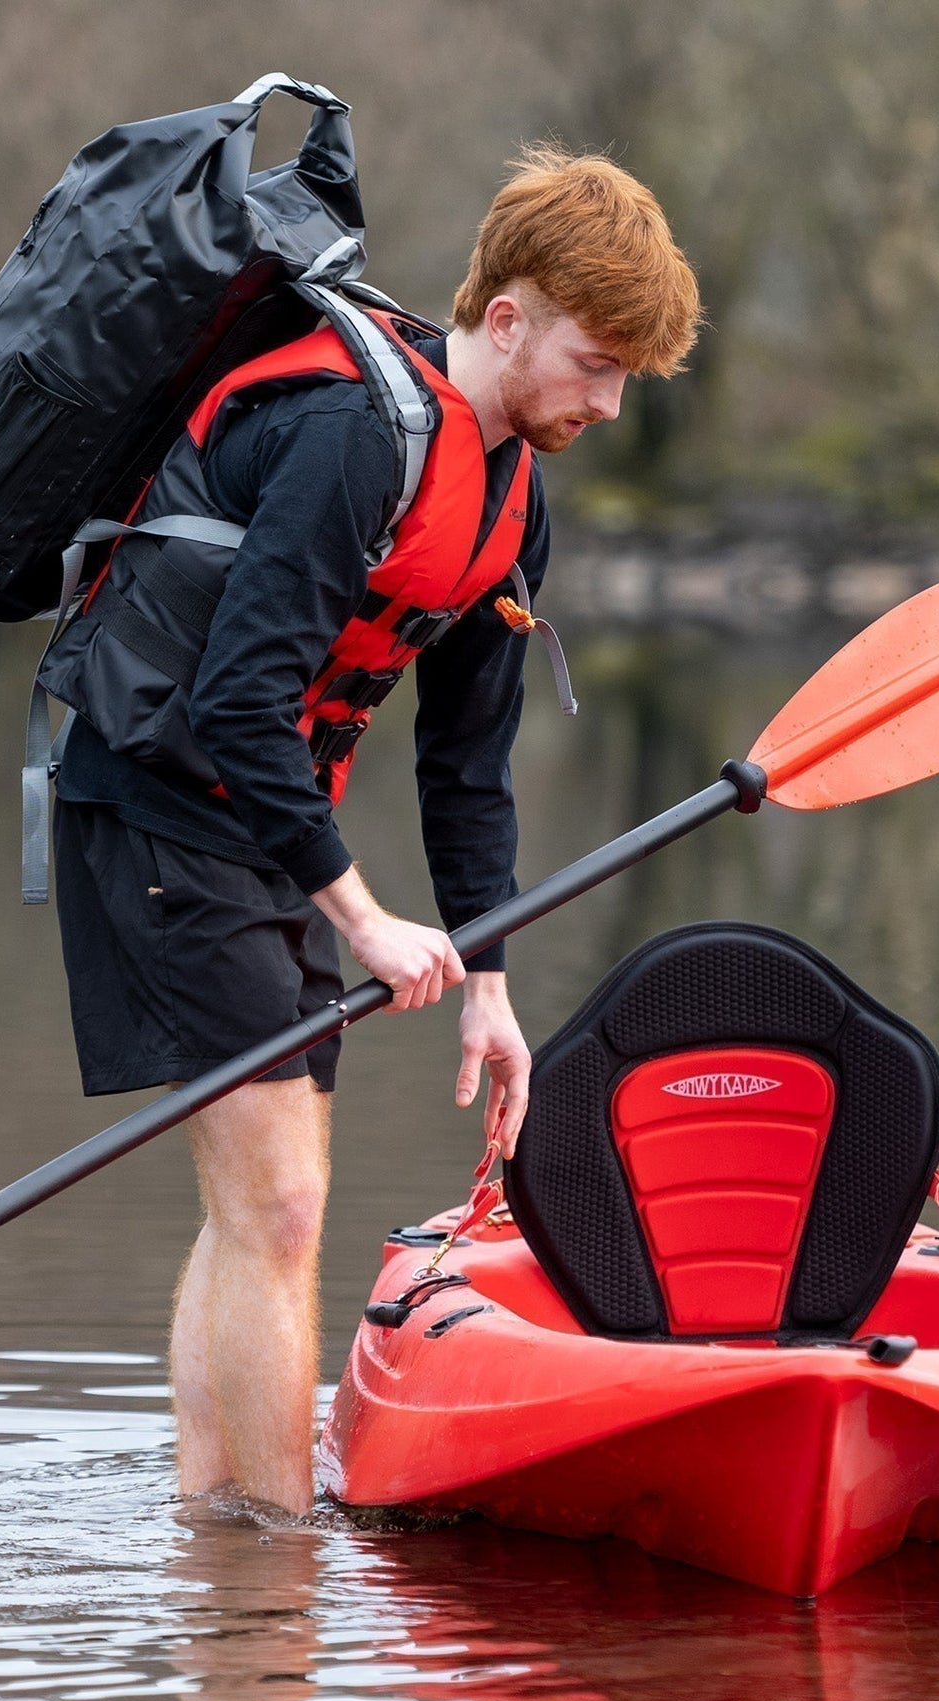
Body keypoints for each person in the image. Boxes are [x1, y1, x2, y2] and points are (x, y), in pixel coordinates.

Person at [43, 144, 701, 1513]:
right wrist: (359, 914)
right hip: (159, 807)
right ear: (505, 319)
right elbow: (236, 700)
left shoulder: (512, 493)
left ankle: (219, 1535)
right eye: (592, 363)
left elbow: (468, 765)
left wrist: (490, 984)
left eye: (625, 377)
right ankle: (279, 1562)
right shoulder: (349, 433)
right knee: (279, 1208)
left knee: (260, 1212)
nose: (607, 402)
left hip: (263, 828)